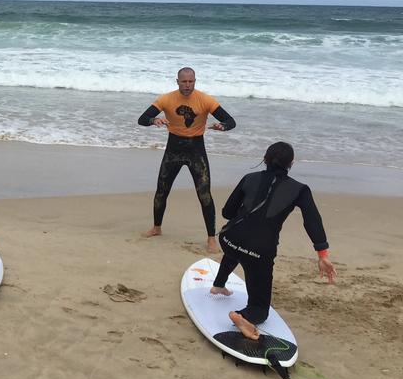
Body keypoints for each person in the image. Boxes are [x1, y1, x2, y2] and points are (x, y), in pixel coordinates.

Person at [210, 142, 336, 340]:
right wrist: (322, 254)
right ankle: (241, 316)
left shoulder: (249, 178)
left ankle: (218, 284)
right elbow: (312, 220)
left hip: (229, 239)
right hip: (259, 252)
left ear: (265, 159)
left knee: (238, 248)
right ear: (291, 163)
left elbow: (227, 212)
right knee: (260, 309)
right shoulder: (300, 190)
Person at [138, 67, 236, 253]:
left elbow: (231, 121)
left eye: (191, 81)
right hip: (173, 149)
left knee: (204, 194)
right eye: (184, 81)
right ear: (177, 81)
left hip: (196, 151)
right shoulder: (166, 99)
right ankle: (157, 228)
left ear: (195, 81)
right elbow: (142, 119)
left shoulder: (205, 100)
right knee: (161, 191)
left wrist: (222, 126)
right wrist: (154, 121)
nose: (187, 85)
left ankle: (210, 239)